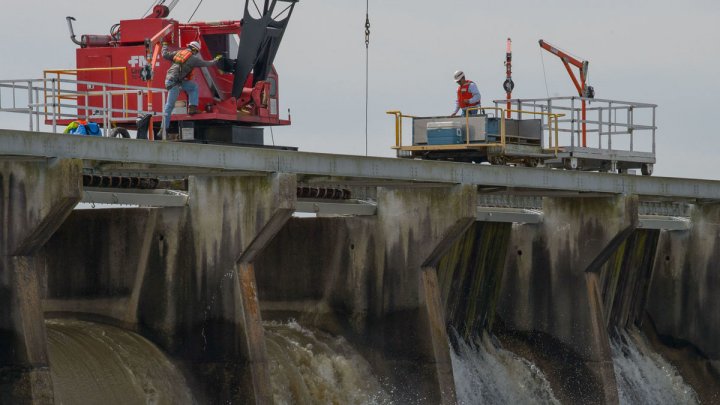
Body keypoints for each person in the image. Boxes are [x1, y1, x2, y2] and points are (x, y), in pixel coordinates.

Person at [161, 40, 221, 135]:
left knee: (193, 87)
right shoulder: (193, 59)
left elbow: (164, 54)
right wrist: (216, 60)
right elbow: (206, 64)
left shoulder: (179, 52)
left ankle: (192, 108)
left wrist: (164, 46)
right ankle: (164, 129)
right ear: (194, 50)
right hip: (174, 83)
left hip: (172, 80)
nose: (196, 53)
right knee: (169, 106)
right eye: (196, 51)